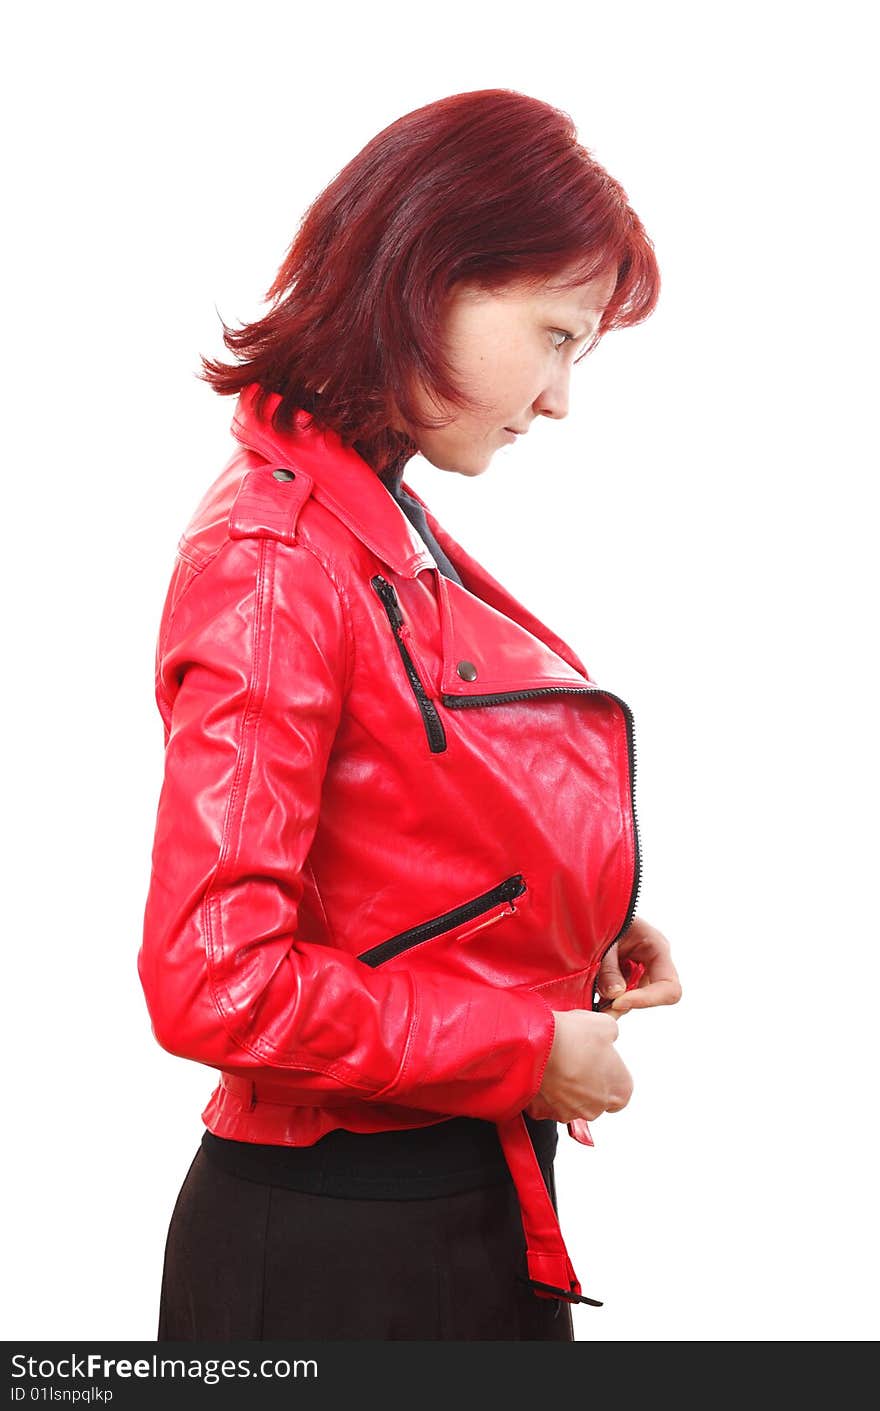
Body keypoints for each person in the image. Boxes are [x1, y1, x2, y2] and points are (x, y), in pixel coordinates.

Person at [138, 87, 682, 1343]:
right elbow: (215, 981)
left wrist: (567, 923)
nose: (557, 398)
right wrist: (521, 1047)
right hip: (337, 1261)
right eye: (556, 335)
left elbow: (383, 812)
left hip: (452, 1213)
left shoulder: (365, 510)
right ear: (432, 276)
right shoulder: (276, 558)